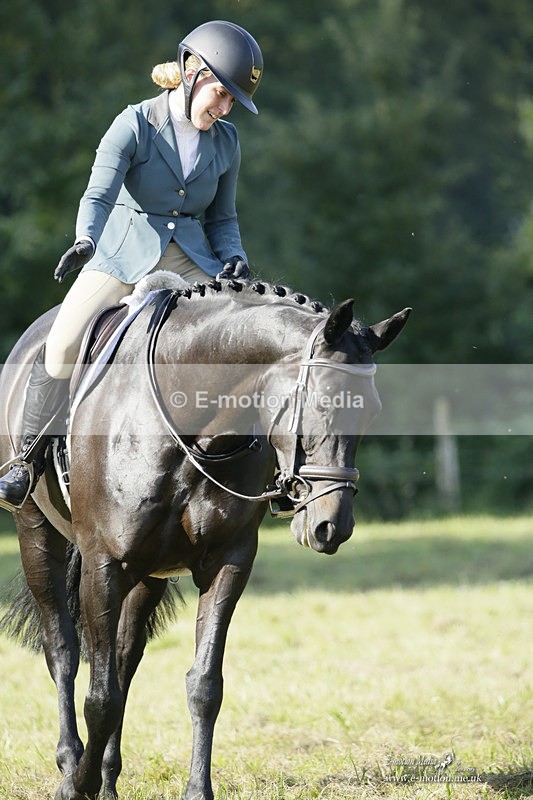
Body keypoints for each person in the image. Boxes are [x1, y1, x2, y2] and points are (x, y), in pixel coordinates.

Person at [0, 19, 263, 510]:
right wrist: (85, 240)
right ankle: (25, 463)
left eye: (232, 102)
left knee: (246, 339)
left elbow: (222, 218)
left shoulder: (226, 141)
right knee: (60, 345)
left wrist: (234, 258)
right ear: (191, 73)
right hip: (121, 253)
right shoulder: (135, 123)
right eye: (221, 95)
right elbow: (98, 193)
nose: (225, 109)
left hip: (191, 260)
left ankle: (269, 472)